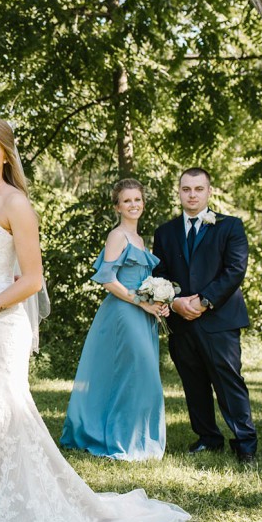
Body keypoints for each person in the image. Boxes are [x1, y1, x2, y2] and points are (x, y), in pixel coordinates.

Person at [0, 117, 189, 522]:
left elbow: (32, 279)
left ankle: (12, 510)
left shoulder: (16, 203)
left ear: (6, 154)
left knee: (4, 411)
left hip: (0, 324)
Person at [152, 168, 257, 463]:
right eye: (186, 189)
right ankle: (208, 437)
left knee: (228, 381)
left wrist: (204, 302)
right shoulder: (165, 232)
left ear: (209, 192)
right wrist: (174, 303)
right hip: (181, 321)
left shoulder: (230, 226)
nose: (192, 195)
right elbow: (160, 274)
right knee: (193, 382)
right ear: (179, 192)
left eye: (199, 189)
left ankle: (245, 442)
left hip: (219, 320)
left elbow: (234, 270)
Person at [59, 179, 169, 461]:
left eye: (137, 199)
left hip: (143, 315)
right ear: (117, 206)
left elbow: (143, 282)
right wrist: (141, 303)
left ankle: (140, 439)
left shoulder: (141, 240)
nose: (134, 205)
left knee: (143, 378)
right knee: (135, 376)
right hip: (123, 313)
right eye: (127, 200)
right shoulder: (117, 235)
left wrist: (158, 303)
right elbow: (107, 279)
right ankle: (123, 439)